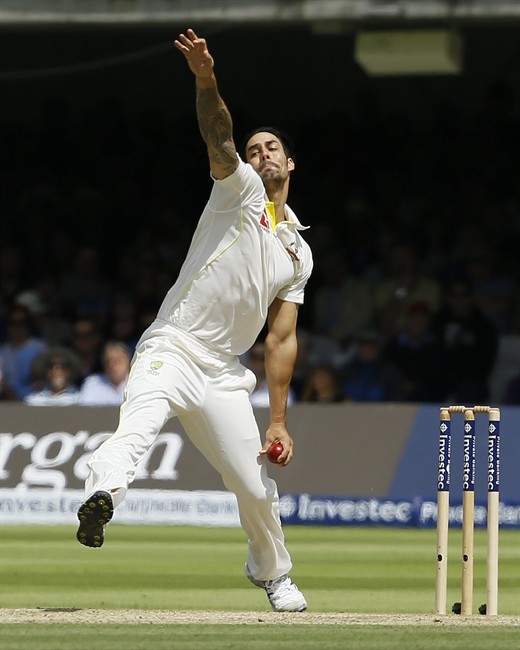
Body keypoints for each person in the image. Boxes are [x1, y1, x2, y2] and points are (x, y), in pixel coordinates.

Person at [77, 29, 313, 613]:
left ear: (290, 162)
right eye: (254, 149)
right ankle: (100, 496)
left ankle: (273, 574)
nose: (260, 155)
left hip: (221, 372)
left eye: (271, 148)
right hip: (173, 345)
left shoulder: (299, 251)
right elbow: (220, 137)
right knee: (137, 428)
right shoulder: (240, 192)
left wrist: (278, 423)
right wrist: (206, 80)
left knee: (253, 484)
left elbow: (281, 339)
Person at [247, 339, 296, 408]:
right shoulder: (239, 384)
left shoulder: (281, 388)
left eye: (262, 357)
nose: (259, 362)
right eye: (255, 357)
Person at [78, 341, 130, 406]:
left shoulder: (137, 382)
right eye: (109, 361)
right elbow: (85, 411)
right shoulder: (92, 383)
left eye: (118, 361)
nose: (113, 365)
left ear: (128, 362)